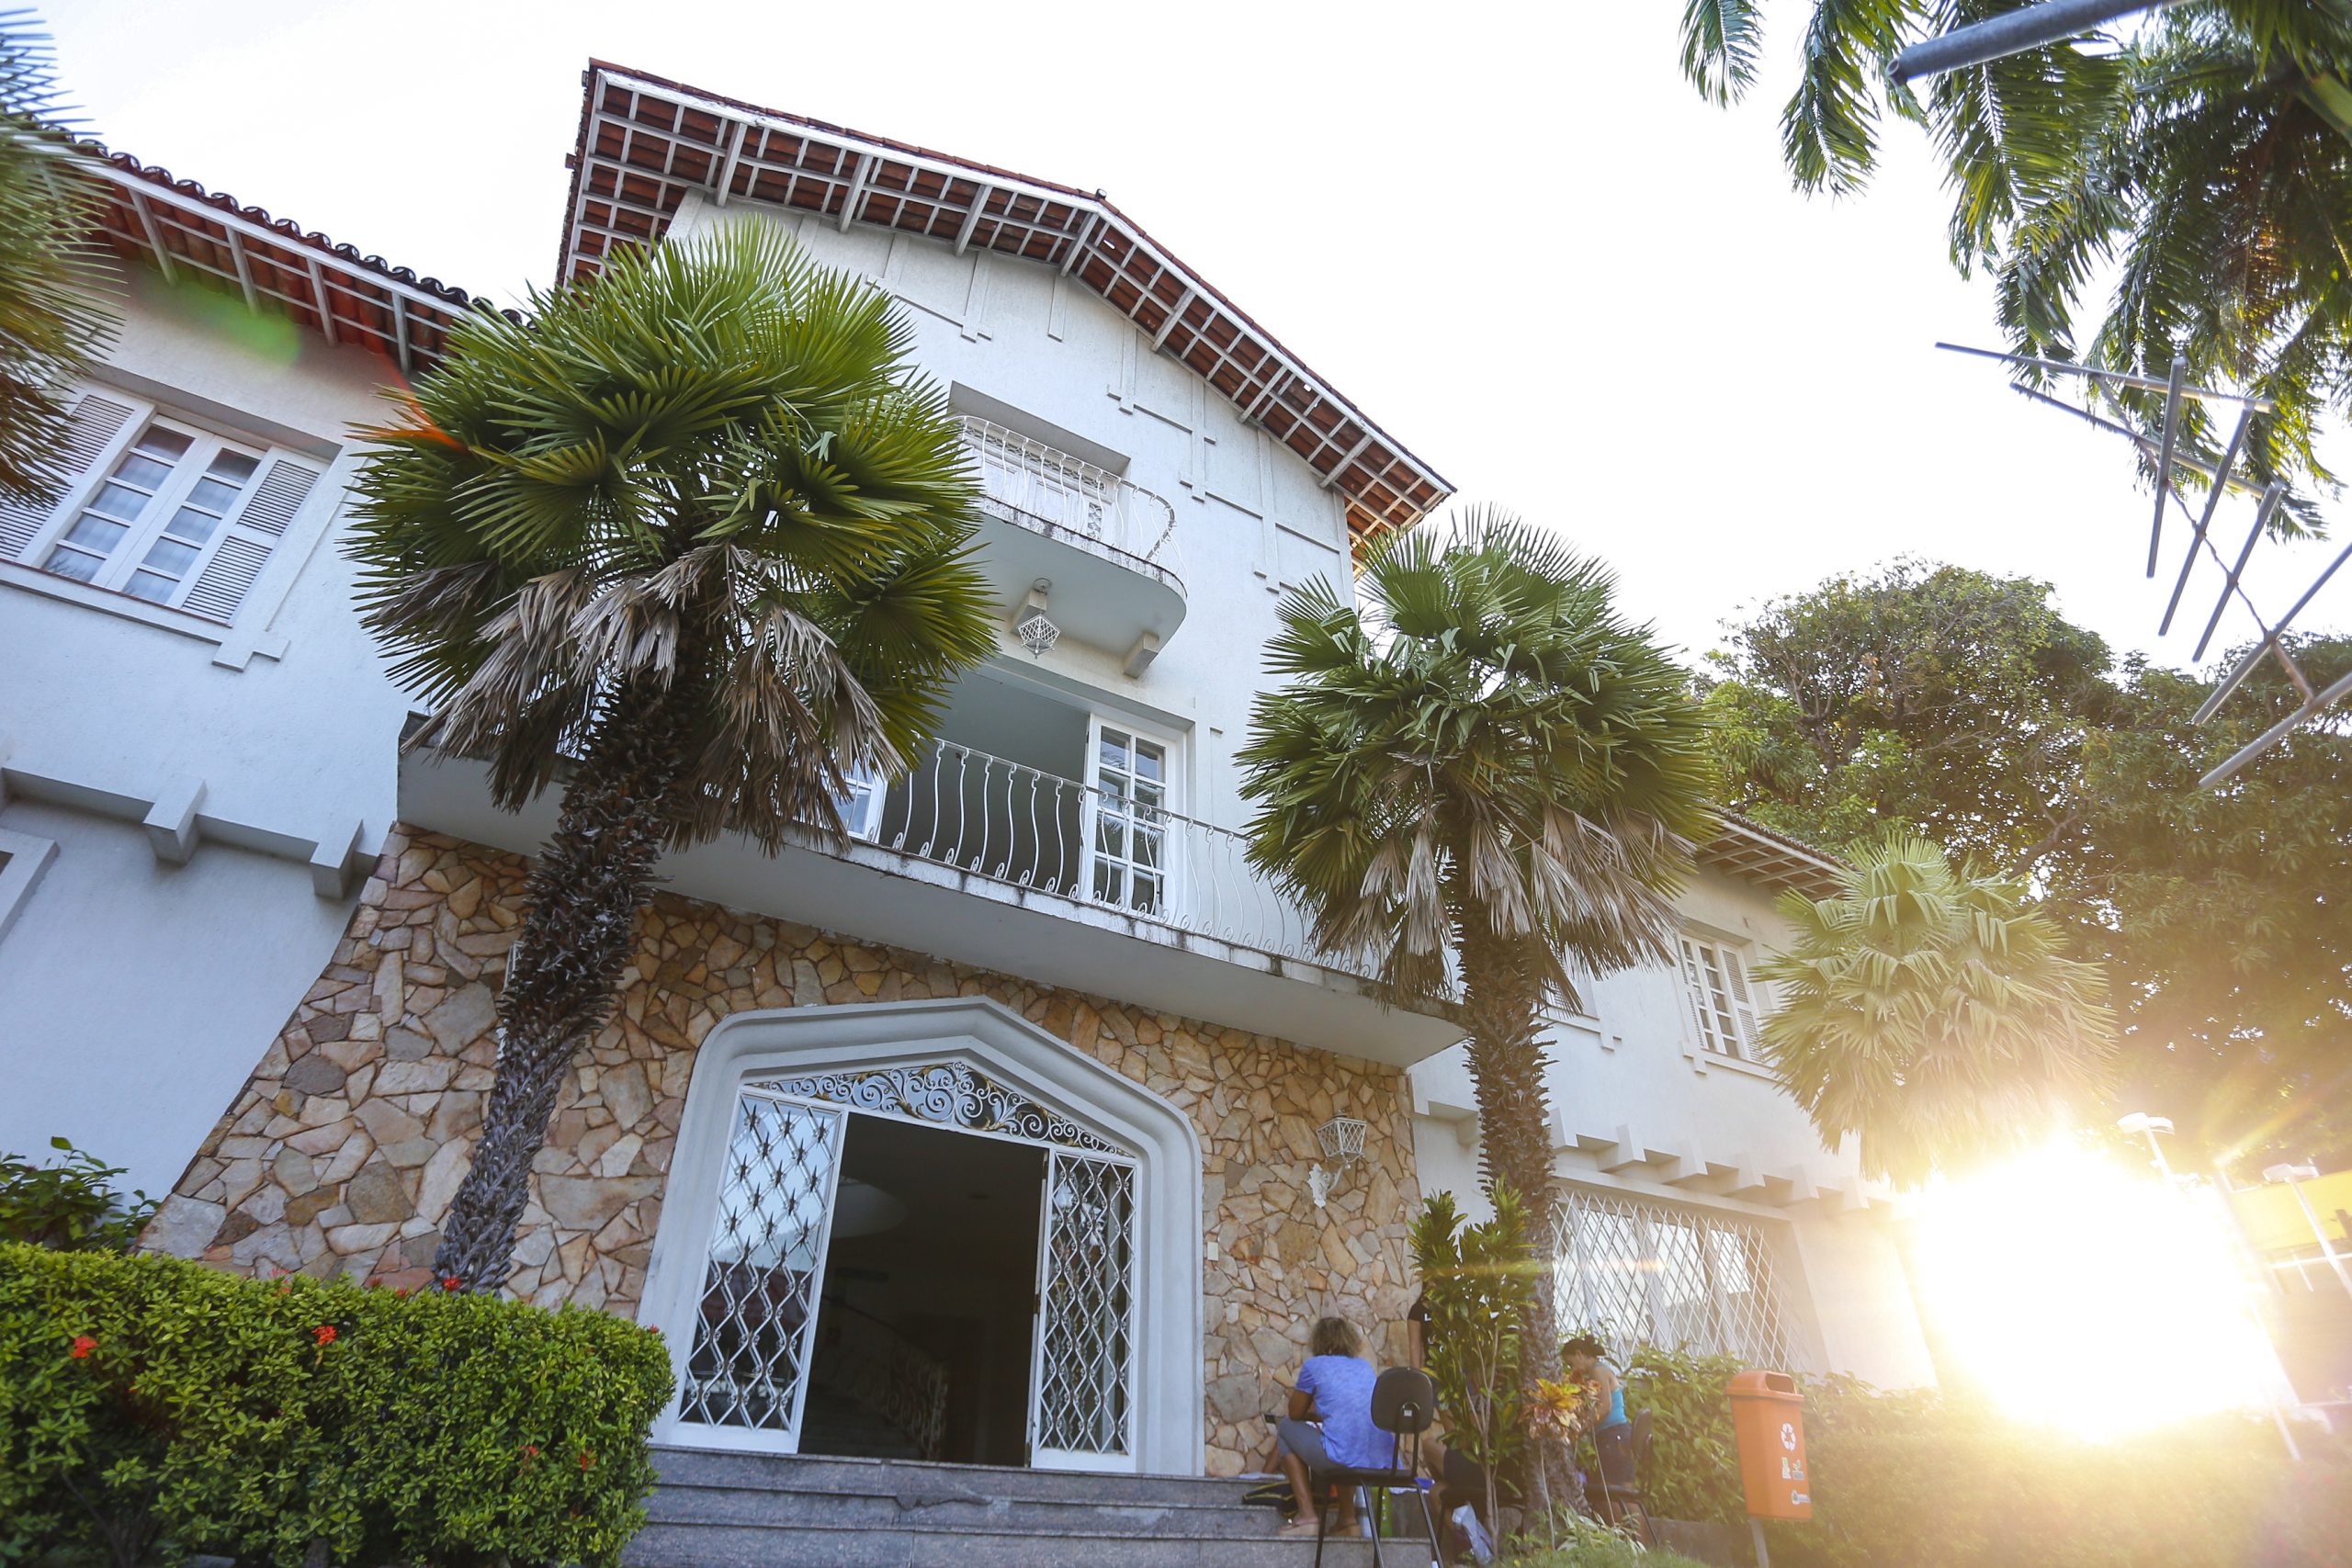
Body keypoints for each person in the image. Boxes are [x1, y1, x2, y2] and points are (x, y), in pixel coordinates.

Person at [1273, 1315, 1385, 1540]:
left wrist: (1316, 1410)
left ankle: (1307, 1516)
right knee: (1342, 1440)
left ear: (1320, 1341)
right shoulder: (1365, 1368)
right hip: (1376, 1458)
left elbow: (1295, 1413)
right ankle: (1347, 1520)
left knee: (1285, 1427)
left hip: (1343, 1456)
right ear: (1349, 1341)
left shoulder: (1315, 1366)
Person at [1563, 1335, 1633, 1509]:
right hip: (1621, 1435)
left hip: (1612, 1437)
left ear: (1579, 1354)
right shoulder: (1600, 1370)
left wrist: (1582, 1429)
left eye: (1571, 1364)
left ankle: (1618, 1535)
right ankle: (1636, 1538)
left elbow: (1604, 1407)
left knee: (1608, 1495)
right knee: (1627, 1496)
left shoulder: (1597, 1371)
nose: (1572, 1370)